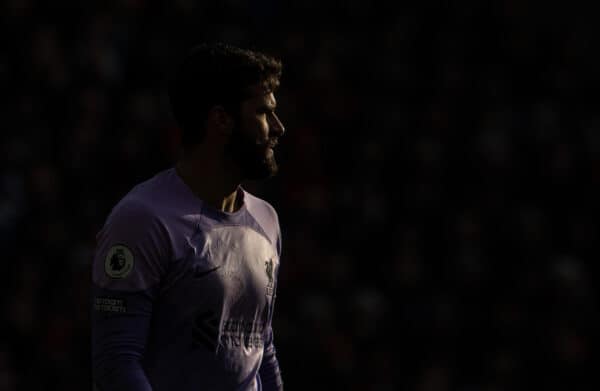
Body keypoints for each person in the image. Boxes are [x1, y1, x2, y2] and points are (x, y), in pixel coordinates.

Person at [91, 43, 286, 391]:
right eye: (263, 113)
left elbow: (261, 348)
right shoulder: (143, 219)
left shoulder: (266, 219)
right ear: (220, 120)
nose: (278, 127)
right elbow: (117, 363)